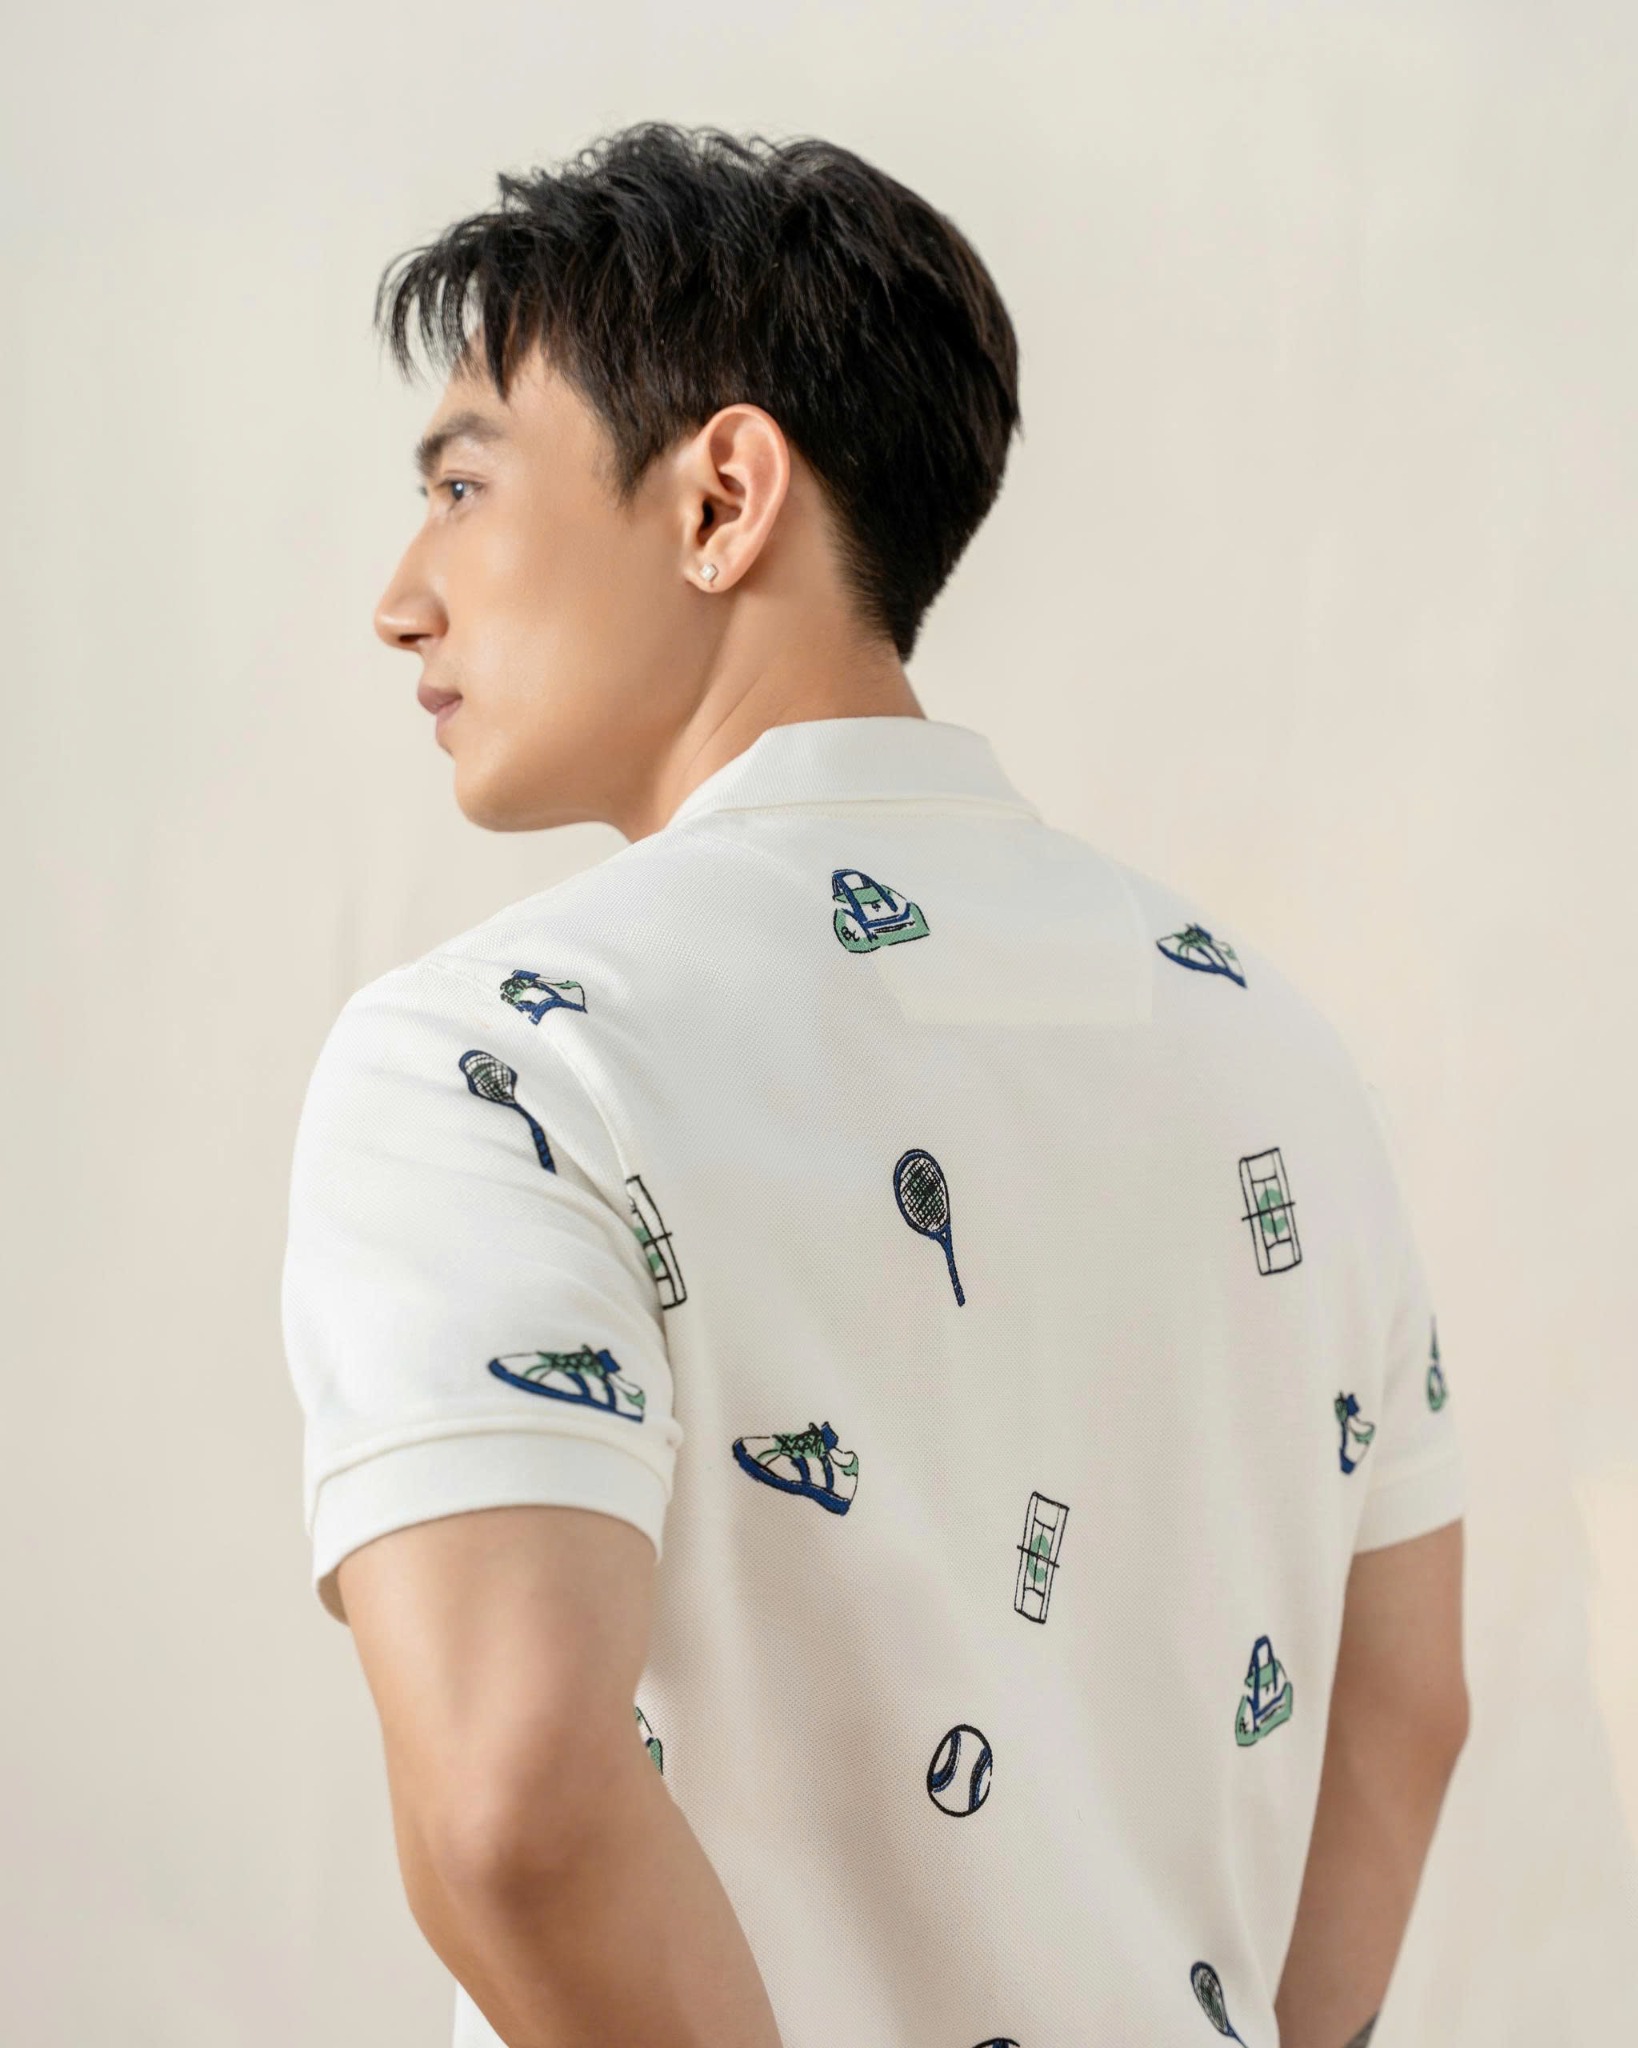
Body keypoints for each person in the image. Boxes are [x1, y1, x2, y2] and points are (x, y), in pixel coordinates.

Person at [280, 121, 1469, 2048]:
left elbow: (515, 1814)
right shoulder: (1275, 1047)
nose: (402, 595)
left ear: (721, 498)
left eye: (464, 485)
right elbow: (1402, 1712)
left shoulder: (495, 1060)